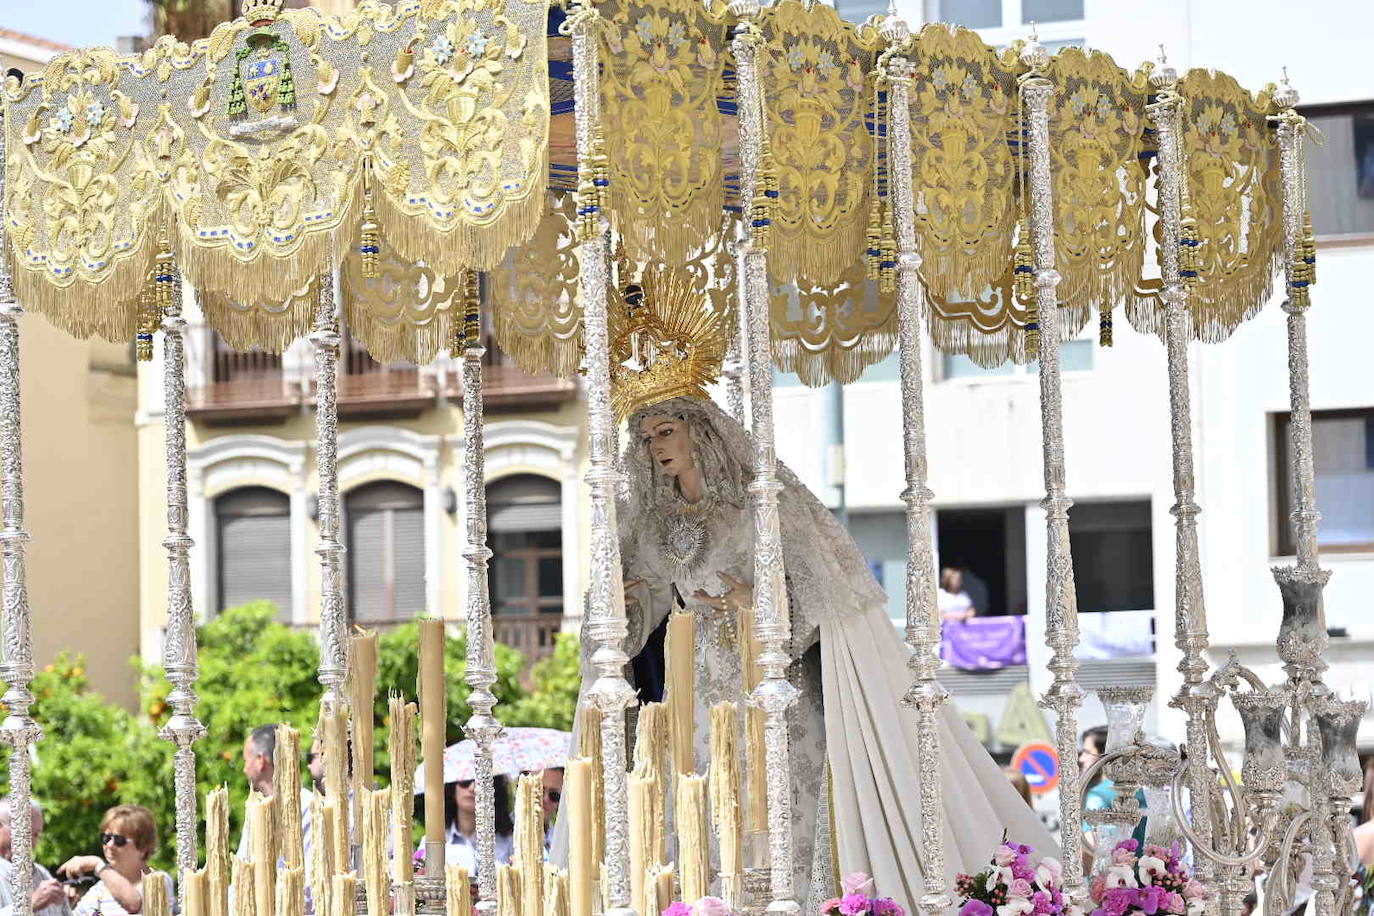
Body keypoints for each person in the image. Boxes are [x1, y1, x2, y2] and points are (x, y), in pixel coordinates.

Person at [552, 270, 1053, 916]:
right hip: (700, 704)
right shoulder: (658, 526)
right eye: (646, 440)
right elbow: (642, 609)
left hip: (775, 698)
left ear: (699, 430)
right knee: (705, 834)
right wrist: (620, 611)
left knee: (782, 834)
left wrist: (745, 602)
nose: (655, 449)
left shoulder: (763, 510)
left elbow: (820, 599)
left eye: (666, 432)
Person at [59, 805, 172, 916]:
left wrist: (98, 865)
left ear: (143, 846)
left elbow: (134, 904)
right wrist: (64, 907)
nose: (109, 845)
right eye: (106, 838)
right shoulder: (100, 890)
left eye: (119, 840)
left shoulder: (158, 880)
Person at [238, 725, 314, 862]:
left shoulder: (308, 807)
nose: (244, 769)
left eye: (246, 760)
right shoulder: (254, 809)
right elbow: (243, 864)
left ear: (260, 761)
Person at [419, 775, 514, 878]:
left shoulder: (510, 841)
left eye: (482, 782)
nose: (472, 788)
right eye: (465, 781)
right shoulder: (433, 840)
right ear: (452, 788)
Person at [0, 797, 70, 916]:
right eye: (25, 832)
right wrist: (29, 904)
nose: (31, 842)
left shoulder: (42, 874)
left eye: (36, 834)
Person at [540, 768, 563, 850]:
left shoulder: (562, 842)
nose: (545, 799)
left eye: (554, 795)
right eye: (539, 790)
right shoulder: (501, 833)